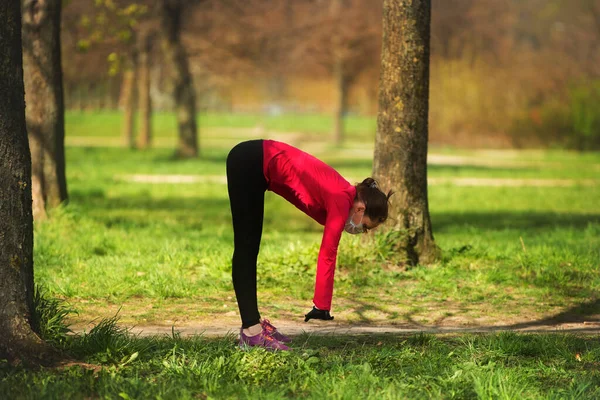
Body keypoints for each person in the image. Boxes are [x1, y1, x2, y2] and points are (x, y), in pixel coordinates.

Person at [226, 139, 393, 350]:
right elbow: (328, 253)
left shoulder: (344, 193)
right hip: (250, 161)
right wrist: (322, 306)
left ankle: (254, 323)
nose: (361, 231)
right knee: (246, 247)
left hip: (255, 164)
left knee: (250, 247)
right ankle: (251, 333)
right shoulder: (341, 200)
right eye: (366, 227)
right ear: (360, 209)